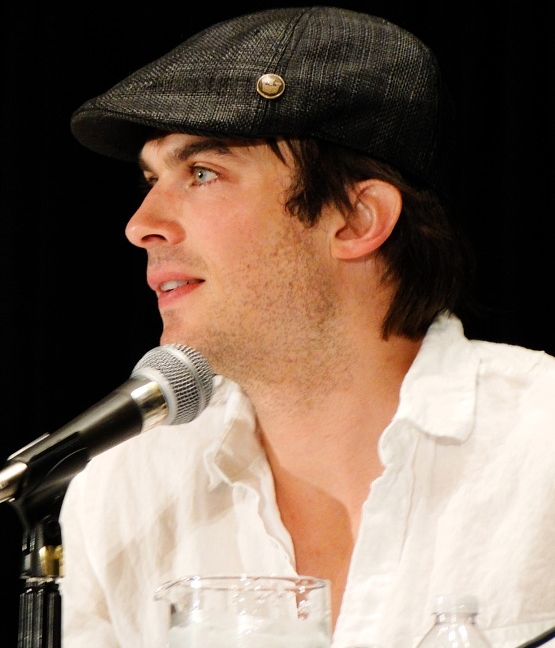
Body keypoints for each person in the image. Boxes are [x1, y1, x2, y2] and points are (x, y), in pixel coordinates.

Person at [59, 6, 555, 648]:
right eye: (152, 179)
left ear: (356, 219)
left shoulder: (540, 445)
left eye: (202, 174)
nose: (140, 225)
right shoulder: (121, 491)